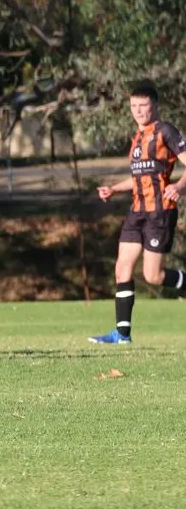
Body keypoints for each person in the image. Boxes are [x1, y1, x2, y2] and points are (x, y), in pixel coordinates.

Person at [90, 83, 186, 344]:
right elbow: (140, 177)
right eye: (134, 106)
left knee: (153, 276)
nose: (139, 111)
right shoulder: (137, 138)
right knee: (122, 269)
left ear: (154, 105)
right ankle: (122, 335)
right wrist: (113, 189)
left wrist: (178, 186)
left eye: (143, 105)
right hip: (136, 212)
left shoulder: (165, 131)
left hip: (160, 213)